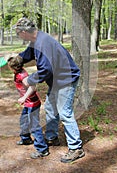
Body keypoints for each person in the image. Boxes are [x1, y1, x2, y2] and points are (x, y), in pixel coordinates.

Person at [13, 17, 85, 163]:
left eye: (18, 33)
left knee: (65, 113)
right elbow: (27, 54)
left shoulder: (42, 43)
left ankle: (76, 148)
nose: (18, 36)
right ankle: (52, 137)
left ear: (24, 32)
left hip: (66, 79)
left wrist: (30, 79)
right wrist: (15, 60)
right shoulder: (36, 40)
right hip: (57, 80)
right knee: (51, 108)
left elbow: (46, 69)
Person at [7, 55, 49, 159]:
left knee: (34, 126)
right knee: (24, 120)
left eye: (10, 67)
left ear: (15, 68)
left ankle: (42, 149)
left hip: (33, 103)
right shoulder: (18, 72)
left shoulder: (23, 76)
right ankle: (26, 138)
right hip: (28, 103)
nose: (9, 69)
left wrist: (24, 97)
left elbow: (33, 87)